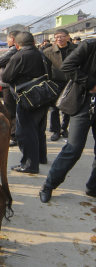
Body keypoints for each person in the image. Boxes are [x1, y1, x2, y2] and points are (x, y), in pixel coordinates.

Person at [39, 40, 96, 203]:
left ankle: (93, 188)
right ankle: (48, 185)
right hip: (84, 102)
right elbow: (67, 66)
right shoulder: (89, 46)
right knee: (74, 149)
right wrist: (90, 84)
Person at [2, 32, 50, 174]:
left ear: (17, 44)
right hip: (43, 95)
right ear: (34, 41)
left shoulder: (19, 56)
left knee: (25, 132)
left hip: (27, 98)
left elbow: (7, 76)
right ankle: (41, 157)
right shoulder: (41, 54)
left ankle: (29, 164)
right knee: (39, 129)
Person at [43, 29, 76, 141]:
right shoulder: (48, 51)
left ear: (68, 37)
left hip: (71, 82)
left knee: (67, 108)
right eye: (57, 37)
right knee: (54, 109)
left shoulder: (76, 49)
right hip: (55, 82)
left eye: (62, 36)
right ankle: (55, 131)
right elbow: (46, 69)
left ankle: (64, 128)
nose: (59, 39)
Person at [0, 30, 21, 147]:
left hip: (9, 84)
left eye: (8, 38)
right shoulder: (17, 50)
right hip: (13, 83)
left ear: (13, 39)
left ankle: (13, 135)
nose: (7, 41)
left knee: (10, 110)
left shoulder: (13, 50)